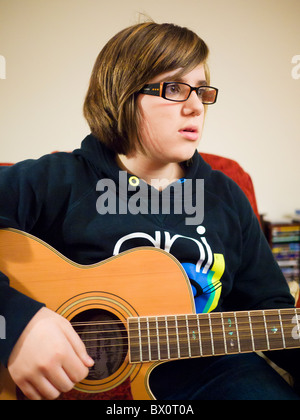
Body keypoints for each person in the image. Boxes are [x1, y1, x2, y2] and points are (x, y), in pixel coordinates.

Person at [0, 20, 300, 401]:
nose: (195, 107)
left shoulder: (227, 195)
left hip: (211, 370)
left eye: (202, 91)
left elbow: (272, 311)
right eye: (175, 88)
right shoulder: (54, 180)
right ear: (122, 93)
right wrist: (18, 324)